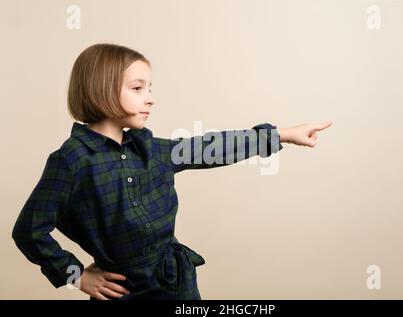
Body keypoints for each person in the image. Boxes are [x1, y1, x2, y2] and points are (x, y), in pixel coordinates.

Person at [12, 43, 333, 300]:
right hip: (122, 288)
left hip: (176, 279)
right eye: (138, 88)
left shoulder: (151, 148)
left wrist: (282, 134)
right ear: (101, 88)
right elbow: (29, 230)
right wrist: (76, 276)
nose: (150, 99)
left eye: (149, 88)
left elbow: (210, 146)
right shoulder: (71, 160)